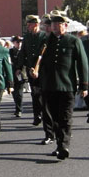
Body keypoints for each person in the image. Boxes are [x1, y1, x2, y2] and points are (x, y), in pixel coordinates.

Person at [38, 10, 88, 160]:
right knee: (54, 118)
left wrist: (84, 86)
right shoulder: (46, 41)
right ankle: (59, 144)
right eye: (53, 24)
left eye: (58, 24)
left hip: (67, 86)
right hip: (49, 86)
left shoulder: (73, 41)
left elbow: (82, 63)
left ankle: (64, 146)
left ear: (65, 25)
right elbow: (38, 61)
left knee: (65, 118)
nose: (54, 27)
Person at [16, 14, 54, 145]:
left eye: (30, 24)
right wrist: (19, 67)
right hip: (31, 70)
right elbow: (23, 52)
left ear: (36, 24)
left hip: (43, 71)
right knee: (35, 94)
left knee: (44, 96)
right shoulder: (27, 37)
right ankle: (37, 115)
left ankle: (45, 120)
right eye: (27, 24)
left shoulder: (44, 36)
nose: (28, 26)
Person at [8, 36, 25, 117]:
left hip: (21, 74)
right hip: (12, 74)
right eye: (17, 42)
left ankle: (19, 110)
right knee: (14, 93)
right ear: (14, 43)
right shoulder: (10, 51)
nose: (19, 44)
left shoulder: (23, 51)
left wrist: (20, 69)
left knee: (19, 93)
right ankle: (17, 108)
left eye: (21, 42)